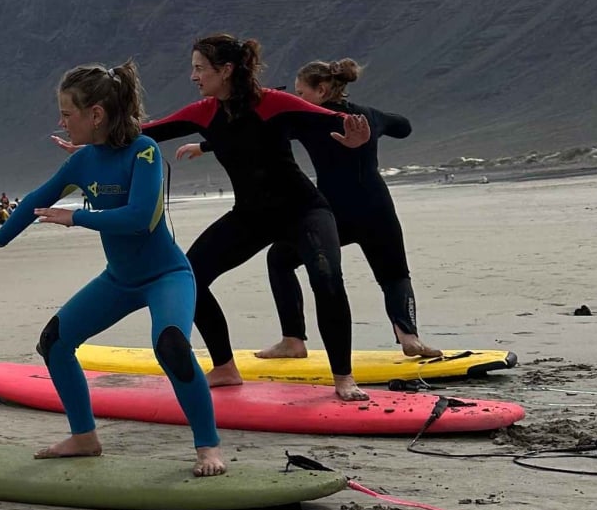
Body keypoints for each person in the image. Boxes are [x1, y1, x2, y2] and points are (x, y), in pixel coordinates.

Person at [64, 34, 373, 402]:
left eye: (199, 68)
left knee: (325, 276)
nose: (193, 76)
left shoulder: (272, 103)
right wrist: (93, 138)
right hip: (251, 216)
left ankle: (343, 377)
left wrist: (357, 136)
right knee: (189, 276)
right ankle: (225, 366)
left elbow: (332, 118)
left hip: (303, 210)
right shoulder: (205, 112)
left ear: (225, 70)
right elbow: (146, 132)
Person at [0, 63, 225, 475]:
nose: (62, 121)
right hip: (119, 280)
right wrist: (0, 239)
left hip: (166, 276)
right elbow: (39, 196)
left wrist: (78, 217)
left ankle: (208, 447)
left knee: (172, 346)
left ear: (96, 115)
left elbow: (140, 217)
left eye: (67, 113)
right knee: (54, 342)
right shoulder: (83, 161)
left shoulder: (144, 152)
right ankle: (84, 436)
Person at [217, 59, 440, 360]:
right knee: (394, 275)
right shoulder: (368, 115)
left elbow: (255, 132)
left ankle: (293, 340)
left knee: (280, 259)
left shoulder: (307, 120)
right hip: (378, 207)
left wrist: (205, 146)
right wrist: (376, 122)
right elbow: (404, 126)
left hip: (335, 214)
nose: (296, 99)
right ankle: (409, 336)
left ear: (321, 90)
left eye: (300, 92)